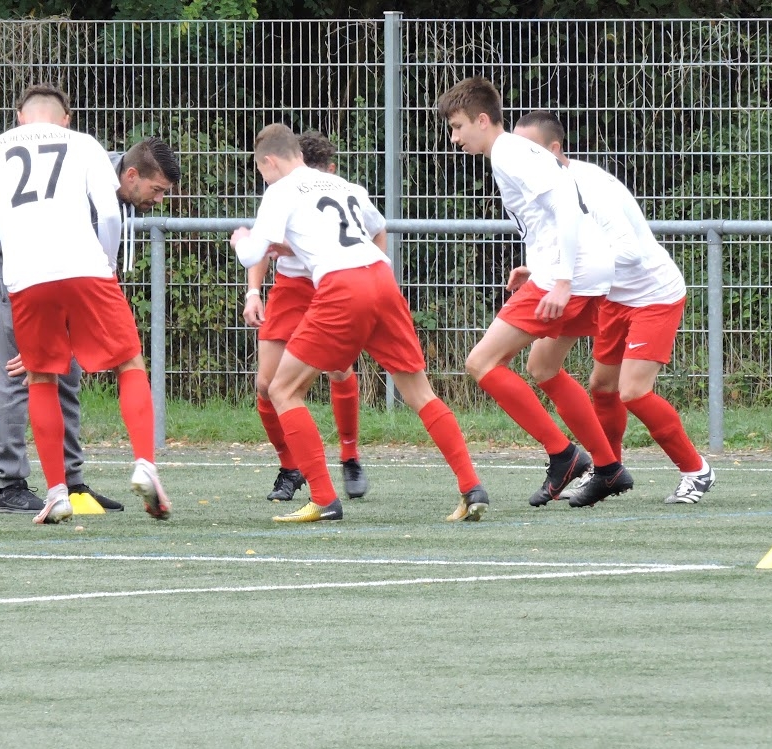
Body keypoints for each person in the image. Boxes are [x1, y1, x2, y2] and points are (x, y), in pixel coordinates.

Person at [230, 123, 488, 524]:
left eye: (262, 171)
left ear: (270, 161)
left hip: (341, 286)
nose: (264, 179)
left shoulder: (280, 191)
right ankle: (472, 488)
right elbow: (372, 228)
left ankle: (323, 499)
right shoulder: (343, 185)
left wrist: (241, 238)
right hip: (381, 278)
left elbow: (251, 256)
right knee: (420, 392)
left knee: (282, 389)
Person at [0, 84, 170, 525]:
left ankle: (56, 493)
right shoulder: (84, 143)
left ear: (19, 116)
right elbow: (109, 215)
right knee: (128, 362)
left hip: (27, 278)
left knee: (40, 377)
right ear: (66, 118)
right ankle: (145, 463)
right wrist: (107, 265)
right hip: (85, 268)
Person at [437, 77, 633, 508]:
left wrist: (560, 278)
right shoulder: (513, 152)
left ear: (482, 120)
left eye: (457, 127)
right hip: (588, 268)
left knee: (481, 362)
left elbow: (564, 204)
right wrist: (541, 267)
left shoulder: (508, 153)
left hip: (574, 272)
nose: (454, 139)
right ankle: (608, 467)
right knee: (543, 366)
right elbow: (548, 215)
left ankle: (564, 455)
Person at [513, 111, 715, 505]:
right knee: (602, 387)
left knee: (633, 392)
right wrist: (541, 270)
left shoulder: (590, 188)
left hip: (652, 294)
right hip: (611, 296)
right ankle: (609, 472)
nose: (523, 161)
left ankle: (696, 470)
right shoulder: (547, 188)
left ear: (554, 149)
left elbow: (631, 254)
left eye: (531, 151)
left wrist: (567, 274)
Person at [243, 131, 368, 504]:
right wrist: (253, 292)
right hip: (291, 288)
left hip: (330, 286)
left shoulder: (336, 191)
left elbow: (371, 232)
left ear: (328, 170)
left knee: (339, 370)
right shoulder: (282, 189)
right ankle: (290, 466)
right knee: (266, 385)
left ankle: (350, 456)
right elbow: (261, 247)